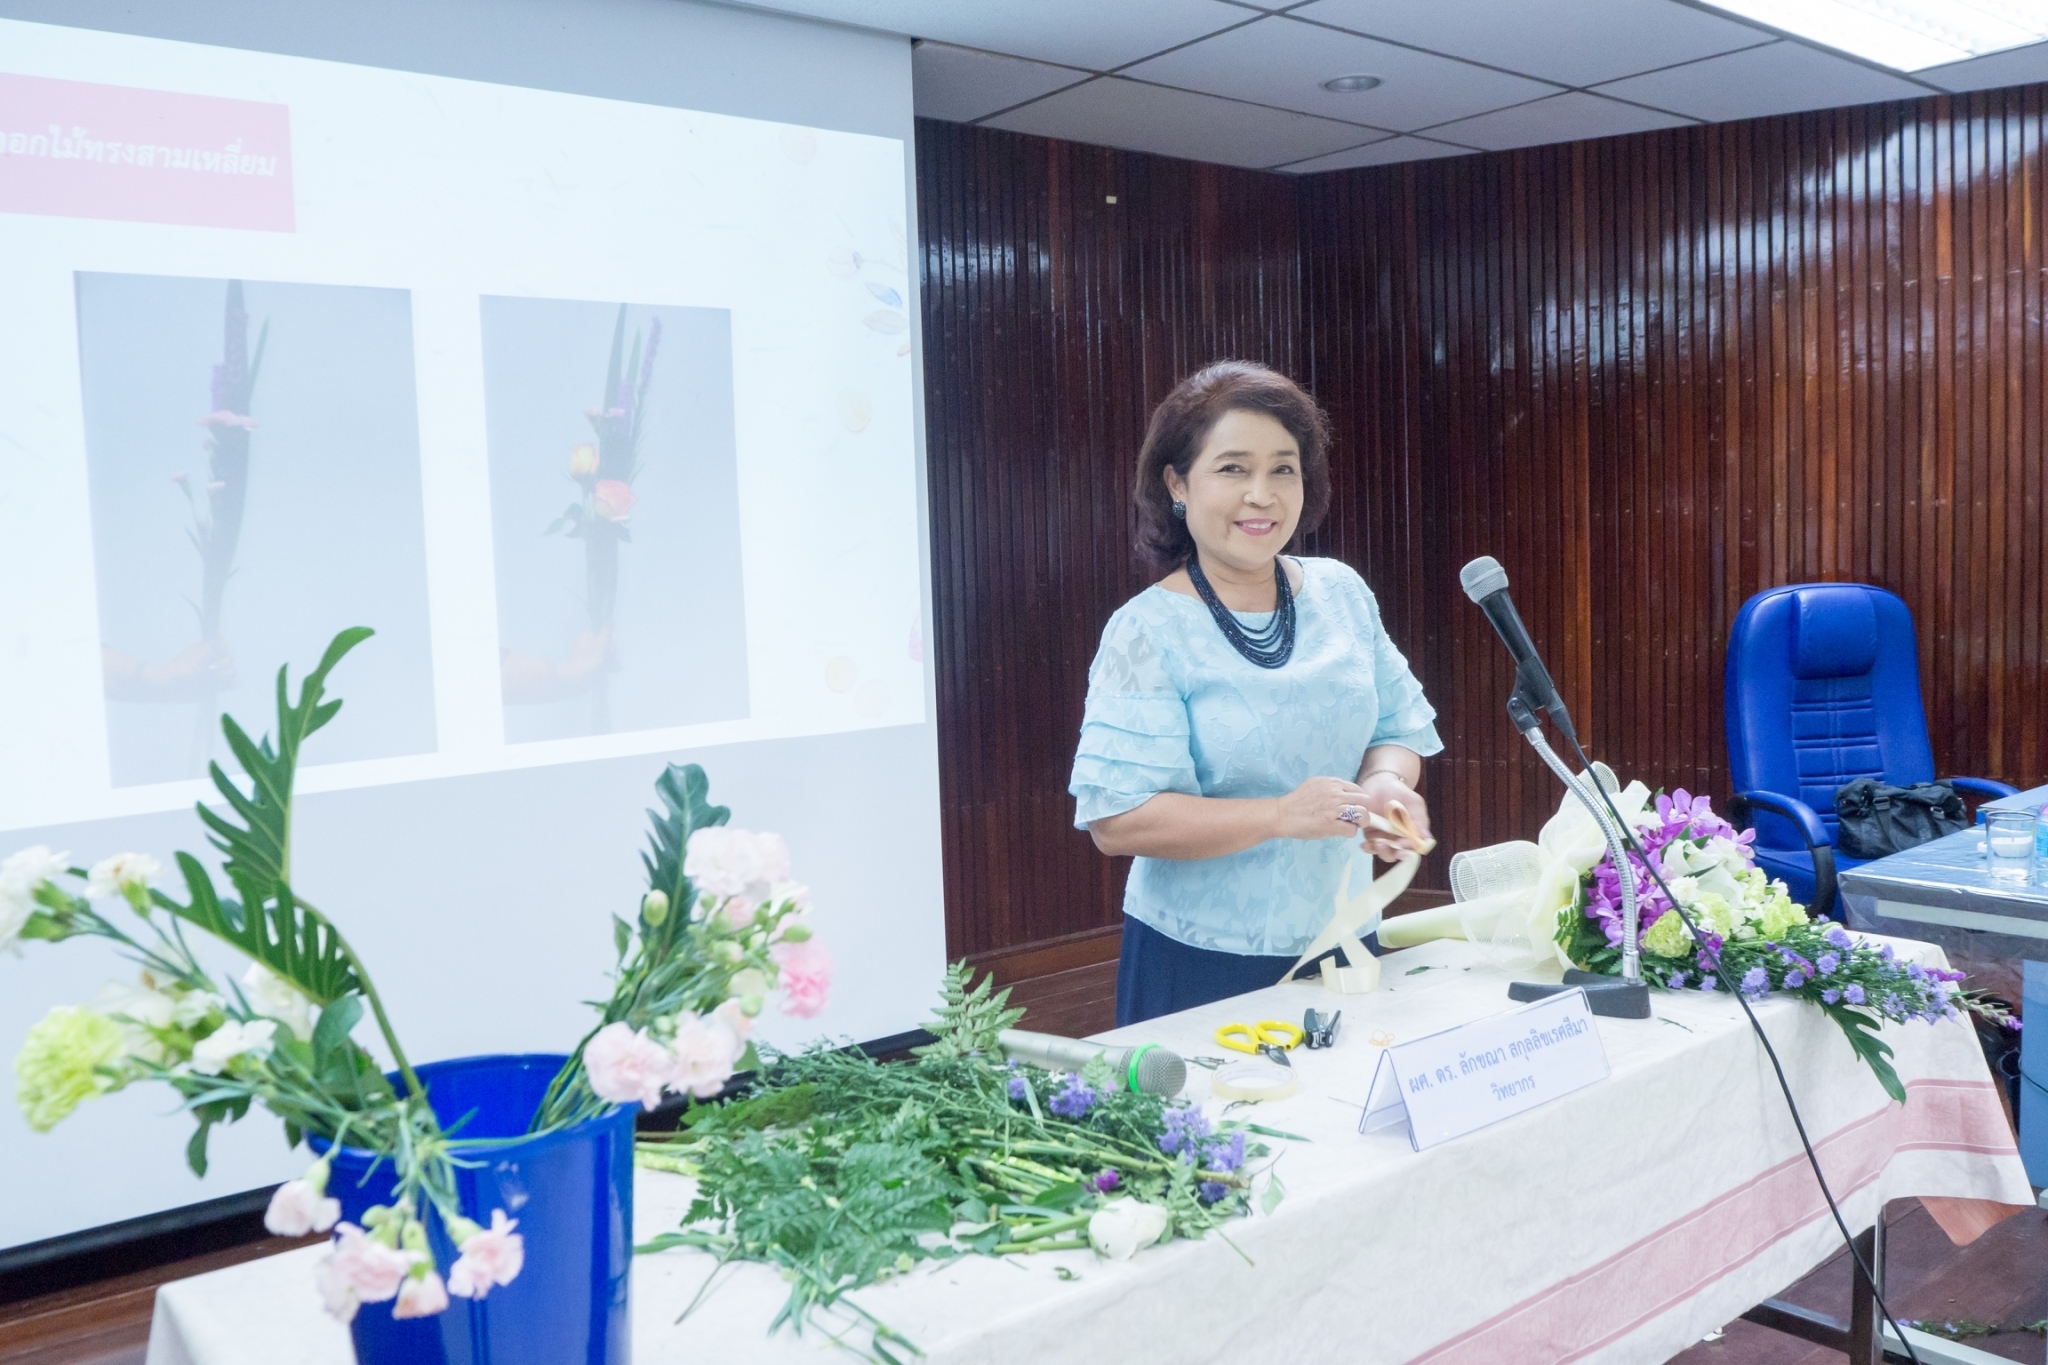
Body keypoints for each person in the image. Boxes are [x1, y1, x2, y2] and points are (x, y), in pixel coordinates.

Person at [1070, 361, 1442, 1026]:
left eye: (1283, 469)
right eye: (1233, 469)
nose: (1261, 494)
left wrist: (1386, 784)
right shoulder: (1145, 631)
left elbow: (1397, 727)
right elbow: (1117, 819)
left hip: (1346, 936)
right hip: (1202, 960)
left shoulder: (1343, 593)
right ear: (1178, 483)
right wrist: (1278, 816)